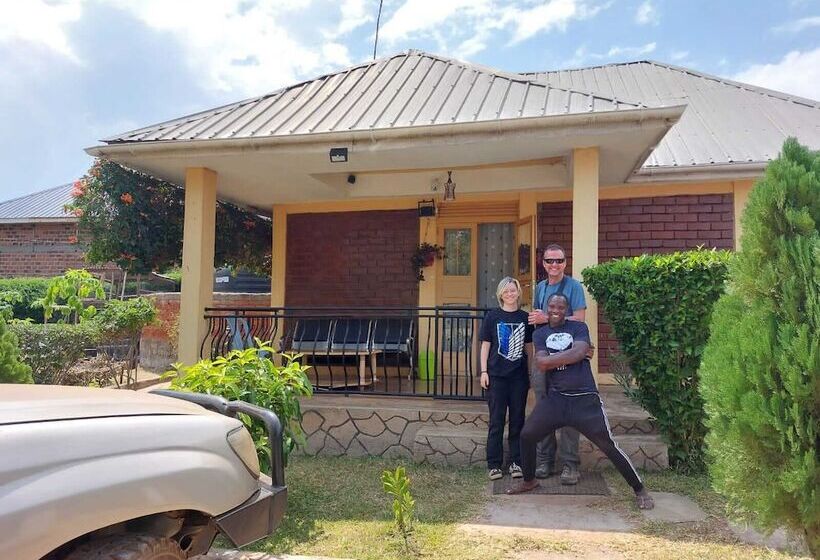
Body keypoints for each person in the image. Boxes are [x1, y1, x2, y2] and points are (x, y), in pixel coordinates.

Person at [508, 293, 655, 510]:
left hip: (585, 400)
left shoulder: (578, 328)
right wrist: (570, 355)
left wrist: (559, 358)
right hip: (556, 400)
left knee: (608, 445)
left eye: (560, 307)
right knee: (527, 435)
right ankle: (530, 480)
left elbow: (578, 352)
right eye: (552, 306)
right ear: (547, 308)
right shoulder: (541, 333)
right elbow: (541, 363)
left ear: (567, 311)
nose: (556, 310)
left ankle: (640, 489)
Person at [528, 243, 585, 484]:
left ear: (565, 262)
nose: (554, 265)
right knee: (544, 409)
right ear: (543, 263)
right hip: (544, 357)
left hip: (569, 358)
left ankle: (570, 465)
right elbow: (536, 318)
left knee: (569, 410)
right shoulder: (540, 287)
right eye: (550, 261)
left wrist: (547, 317)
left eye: (559, 261)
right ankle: (545, 461)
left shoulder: (574, 287)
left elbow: (580, 319)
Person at [480, 277, 533, 480]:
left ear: (518, 293)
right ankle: (494, 464)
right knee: (496, 420)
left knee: (518, 421)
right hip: (496, 377)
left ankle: (516, 462)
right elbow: (485, 345)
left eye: (513, 290)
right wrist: (483, 371)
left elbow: (529, 348)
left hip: (518, 378)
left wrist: (530, 373)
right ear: (500, 294)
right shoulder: (492, 317)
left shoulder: (524, 318)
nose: (510, 294)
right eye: (506, 291)